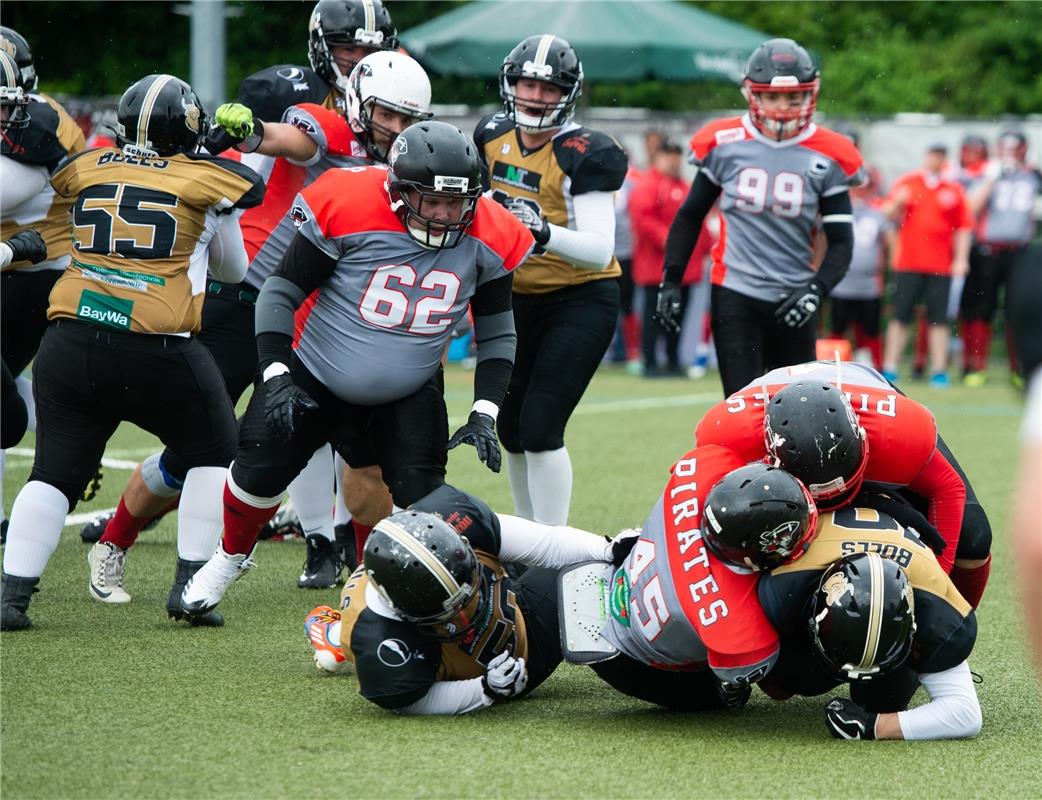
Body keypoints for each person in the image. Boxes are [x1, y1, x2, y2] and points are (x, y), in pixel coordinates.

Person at [79, 51, 434, 594]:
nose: (398, 129)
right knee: (197, 443)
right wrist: (250, 135)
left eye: (409, 119)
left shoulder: (412, 160)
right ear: (363, 103)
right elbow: (287, 138)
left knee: (360, 450)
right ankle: (116, 538)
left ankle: (361, 574)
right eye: (388, 115)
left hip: (321, 310)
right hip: (251, 293)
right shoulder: (332, 125)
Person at [177, 121, 534, 622]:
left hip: (410, 387)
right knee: (257, 469)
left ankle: (410, 584)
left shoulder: (492, 233)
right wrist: (276, 372)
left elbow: (497, 333)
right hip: (317, 369)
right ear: (398, 188)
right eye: (430, 200)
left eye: (455, 203)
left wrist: (484, 411)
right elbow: (280, 292)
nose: (443, 214)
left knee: (425, 498)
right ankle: (228, 558)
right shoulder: (347, 201)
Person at [0, 74, 265, 631]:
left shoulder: (89, 166)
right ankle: (190, 592)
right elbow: (233, 271)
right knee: (214, 448)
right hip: (156, 346)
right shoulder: (210, 180)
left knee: (52, 473)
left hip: (69, 339)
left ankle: (12, 597)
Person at [474, 34, 628, 526]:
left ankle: (554, 544)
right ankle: (529, 542)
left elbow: (600, 248)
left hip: (580, 298)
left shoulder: (586, 151)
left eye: (548, 87)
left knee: (540, 427)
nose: (535, 96)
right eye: (526, 83)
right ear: (509, 83)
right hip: (515, 296)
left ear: (569, 93)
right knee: (512, 429)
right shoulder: (491, 134)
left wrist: (541, 231)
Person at [656, 38, 861, 397]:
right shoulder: (724, 142)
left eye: (793, 98)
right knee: (742, 406)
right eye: (772, 96)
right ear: (753, 95)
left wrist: (815, 290)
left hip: (795, 293)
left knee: (798, 410)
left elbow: (842, 242)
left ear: (809, 96)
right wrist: (670, 280)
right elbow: (690, 217)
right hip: (736, 289)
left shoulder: (832, 153)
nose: (783, 107)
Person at [695, 362, 992, 607]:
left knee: (974, 534)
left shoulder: (899, 434)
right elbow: (702, 521)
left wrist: (936, 586)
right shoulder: (729, 439)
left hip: (872, 407)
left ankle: (955, 633)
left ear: (863, 439)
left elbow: (947, 488)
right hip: (769, 426)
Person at [304, 484, 618, 713]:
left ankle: (333, 635)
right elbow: (415, 699)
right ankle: (335, 637)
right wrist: (484, 689)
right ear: (402, 611)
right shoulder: (381, 643)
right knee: (586, 586)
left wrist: (608, 547)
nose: (467, 612)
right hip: (515, 654)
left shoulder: (448, 515)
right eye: (451, 610)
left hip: (508, 593)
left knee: (594, 564)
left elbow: (542, 544)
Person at [564, 450, 816, 711]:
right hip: (629, 661)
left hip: (625, 579)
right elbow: (777, 689)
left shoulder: (702, 468)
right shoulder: (734, 626)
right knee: (726, 697)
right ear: (751, 557)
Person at [758, 524, 981, 740]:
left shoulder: (936, 611)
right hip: (818, 542)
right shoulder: (783, 583)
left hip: (914, 561)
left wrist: (873, 726)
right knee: (777, 682)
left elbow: (966, 714)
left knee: (883, 702)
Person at [1, 45, 87, 541]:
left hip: (36, 270)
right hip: (14, 262)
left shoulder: (40, 125)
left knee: (5, 408)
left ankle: (69, 440)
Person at [881, 142, 973, 388]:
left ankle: (939, 370)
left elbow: (963, 227)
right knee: (900, 315)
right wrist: (898, 202)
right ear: (925, 156)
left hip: (940, 265)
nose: (936, 160)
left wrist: (961, 259)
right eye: (933, 154)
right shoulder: (908, 183)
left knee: (939, 319)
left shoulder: (953, 189)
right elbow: (887, 213)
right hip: (908, 263)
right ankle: (890, 366)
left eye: (940, 156)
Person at [960, 131, 1042, 386]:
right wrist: (991, 180)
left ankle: (1019, 367)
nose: (1010, 153)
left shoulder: (1033, 175)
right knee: (981, 308)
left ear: (1023, 149)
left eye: (1014, 148)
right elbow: (971, 208)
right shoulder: (987, 172)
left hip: (1020, 250)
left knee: (1017, 310)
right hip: (989, 250)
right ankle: (976, 365)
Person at [629, 139, 711, 377]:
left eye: (677, 155)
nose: (673, 160)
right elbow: (642, 218)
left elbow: (697, 221)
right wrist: (671, 241)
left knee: (677, 318)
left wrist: (707, 247)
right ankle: (651, 363)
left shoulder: (684, 186)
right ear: (659, 157)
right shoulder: (649, 185)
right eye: (669, 155)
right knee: (653, 318)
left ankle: (674, 362)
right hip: (655, 268)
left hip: (685, 268)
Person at [826, 134, 892, 370]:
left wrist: (884, 274)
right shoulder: (837, 196)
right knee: (837, 327)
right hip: (842, 278)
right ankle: (832, 367)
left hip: (867, 281)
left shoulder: (877, 209)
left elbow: (886, 244)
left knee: (870, 328)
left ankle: (874, 368)